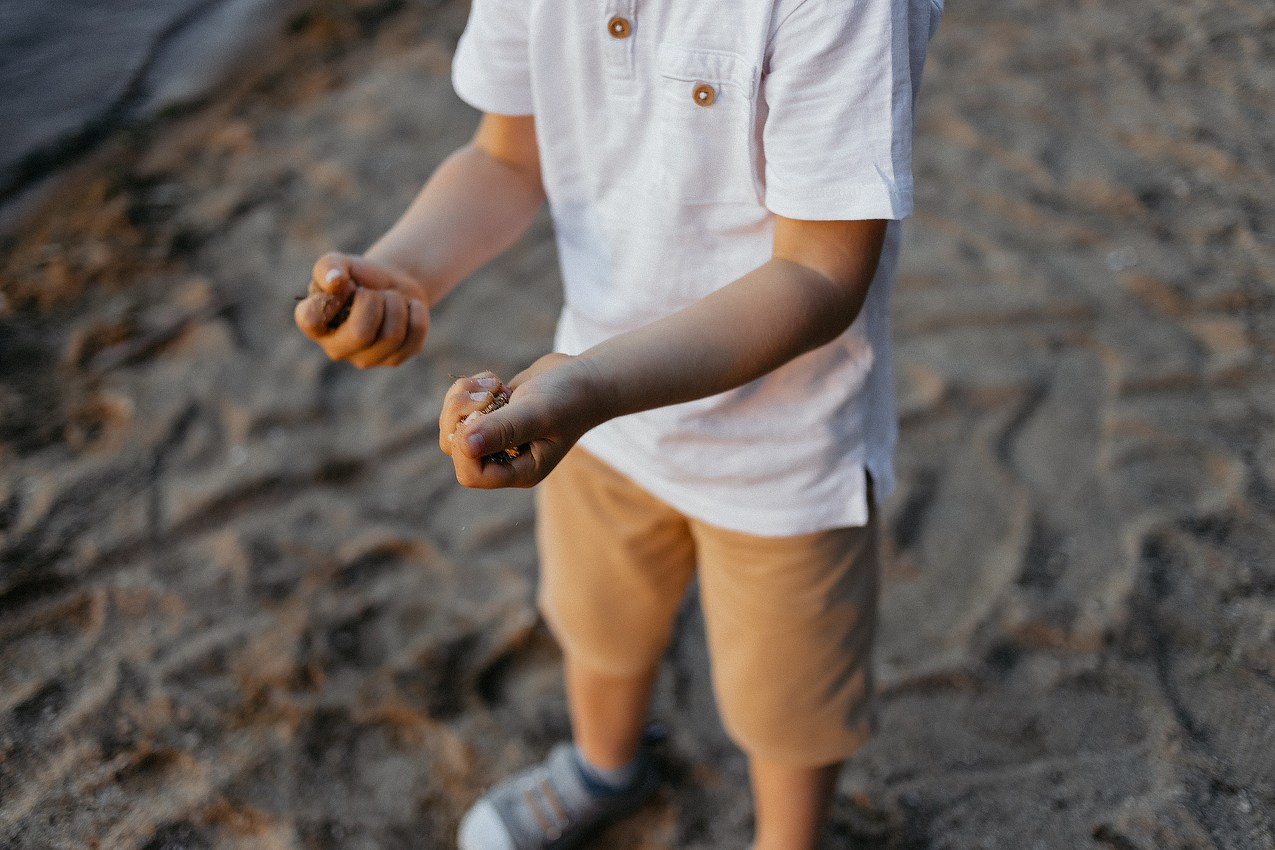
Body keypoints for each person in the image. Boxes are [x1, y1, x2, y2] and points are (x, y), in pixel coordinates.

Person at [295, 0, 942, 846]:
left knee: (789, 706)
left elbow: (820, 272)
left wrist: (593, 386)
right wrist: (408, 271)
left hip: (785, 454)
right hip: (592, 420)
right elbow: (506, 155)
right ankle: (604, 767)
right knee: (598, 624)